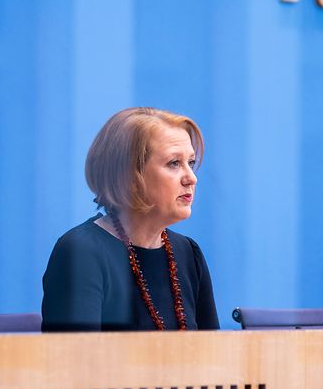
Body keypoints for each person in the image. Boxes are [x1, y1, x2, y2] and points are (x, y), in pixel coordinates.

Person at [42, 107, 220, 331]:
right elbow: (76, 362)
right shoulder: (81, 253)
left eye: (191, 163)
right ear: (129, 175)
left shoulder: (188, 253)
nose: (191, 178)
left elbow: (214, 356)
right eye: (174, 163)